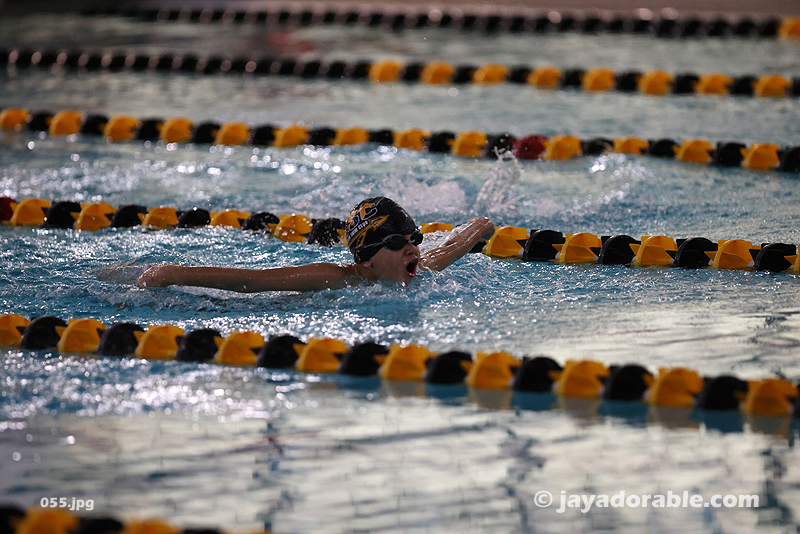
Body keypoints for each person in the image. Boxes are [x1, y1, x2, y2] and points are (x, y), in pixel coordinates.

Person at [136, 197, 494, 292]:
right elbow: (252, 281)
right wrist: (175, 274)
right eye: (396, 242)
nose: (413, 249)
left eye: (414, 239)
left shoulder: (415, 268)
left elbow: (453, 245)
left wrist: (481, 227)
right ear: (365, 258)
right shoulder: (333, 277)